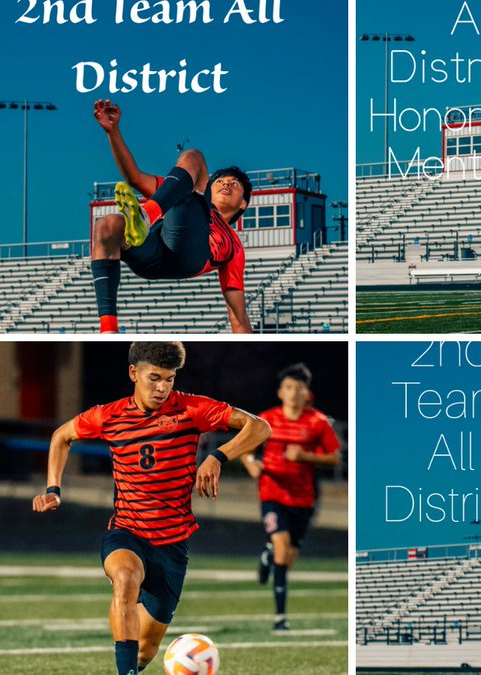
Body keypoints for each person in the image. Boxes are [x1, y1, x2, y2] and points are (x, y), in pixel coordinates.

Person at [32, 342, 271, 675]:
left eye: (170, 379)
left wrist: (218, 457)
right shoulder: (109, 415)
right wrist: (53, 490)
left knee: (146, 650)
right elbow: (61, 436)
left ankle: (134, 666)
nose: (162, 388)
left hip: (172, 545)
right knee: (126, 578)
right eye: (154, 378)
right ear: (134, 373)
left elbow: (259, 426)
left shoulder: (191, 409)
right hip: (127, 532)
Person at [90, 99, 252, 334]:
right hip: (153, 250)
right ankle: (108, 330)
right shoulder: (176, 192)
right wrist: (113, 132)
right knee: (107, 225)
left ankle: (146, 216)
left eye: (234, 184)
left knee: (194, 157)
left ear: (243, 203)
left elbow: (238, 316)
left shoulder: (234, 246)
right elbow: (134, 177)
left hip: (190, 253)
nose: (226, 183)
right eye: (220, 181)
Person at [242, 363, 342, 632]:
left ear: (306, 392)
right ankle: (280, 618)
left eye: (299, 388)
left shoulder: (317, 422)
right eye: (289, 387)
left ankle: (267, 555)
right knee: (284, 550)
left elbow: (335, 458)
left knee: (287, 558)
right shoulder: (267, 420)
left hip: (304, 497)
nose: (294, 393)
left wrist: (306, 456)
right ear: (280, 392)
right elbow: (246, 448)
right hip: (272, 492)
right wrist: (251, 463)